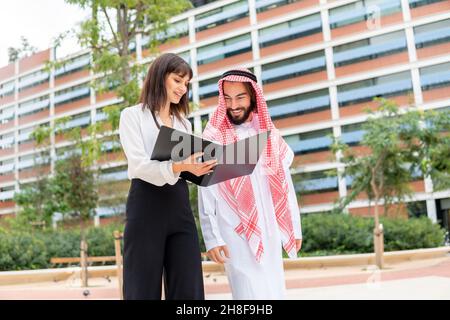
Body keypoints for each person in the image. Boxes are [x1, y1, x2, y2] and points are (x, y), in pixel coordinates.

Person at [119, 53, 217, 300]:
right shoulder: (132, 115)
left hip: (180, 206)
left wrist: (202, 168)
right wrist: (177, 166)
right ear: (160, 77)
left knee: (189, 289)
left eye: (186, 84)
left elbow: (186, 167)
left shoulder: (183, 123)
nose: (183, 89)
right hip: (145, 207)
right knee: (142, 288)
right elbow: (139, 165)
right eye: (177, 80)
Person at [198, 69, 302, 299]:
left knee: (273, 291)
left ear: (254, 97)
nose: (233, 105)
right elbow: (205, 190)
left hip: (270, 227)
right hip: (234, 230)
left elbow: (286, 184)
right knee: (246, 292)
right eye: (227, 98)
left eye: (240, 97)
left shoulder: (270, 135)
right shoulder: (213, 135)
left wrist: (294, 225)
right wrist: (212, 237)